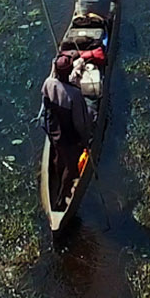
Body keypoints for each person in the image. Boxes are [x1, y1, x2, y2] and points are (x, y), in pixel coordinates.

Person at [42, 54, 90, 206]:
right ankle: (62, 196)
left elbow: (45, 106)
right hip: (68, 136)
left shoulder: (48, 83)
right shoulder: (74, 95)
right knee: (71, 166)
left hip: (54, 131)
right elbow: (80, 122)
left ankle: (56, 176)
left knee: (58, 155)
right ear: (69, 71)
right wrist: (85, 141)